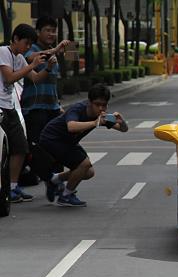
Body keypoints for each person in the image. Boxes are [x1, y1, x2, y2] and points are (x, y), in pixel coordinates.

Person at [39, 84, 128, 207]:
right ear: (90, 102)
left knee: (88, 172)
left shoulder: (102, 116)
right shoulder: (78, 108)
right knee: (84, 164)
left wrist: (121, 122)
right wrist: (94, 122)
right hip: (52, 139)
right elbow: (71, 126)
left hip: (69, 142)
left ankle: (54, 180)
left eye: (104, 105)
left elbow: (123, 129)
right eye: (97, 104)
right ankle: (66, 196)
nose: (101, 108)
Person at [0, 23, 55, 203]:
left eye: (31, 44)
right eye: (26, 43)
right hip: (0, 107)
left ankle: (14, 188)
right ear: (15, 39)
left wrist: (46, 68)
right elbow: (9, 78)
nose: (28, 47)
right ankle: (5, 186)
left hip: (10, 107)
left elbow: (36, 79)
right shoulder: (4, 52)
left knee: (21, 147)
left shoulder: (20, 58)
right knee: (3, 150)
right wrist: (32, 65)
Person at [21, 16, 71, 183]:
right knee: (37, 147)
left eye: (53, 31)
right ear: (38, 32)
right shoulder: (31, 50)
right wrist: (56, 49)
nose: (51, 34)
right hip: (34, 108)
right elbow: (31, 59)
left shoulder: (53, 52)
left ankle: (58, 183)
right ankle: (46, 179)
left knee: (59, 144)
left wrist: (58, 104)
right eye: (47, 30)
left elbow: (52, 83)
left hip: (52, 108)